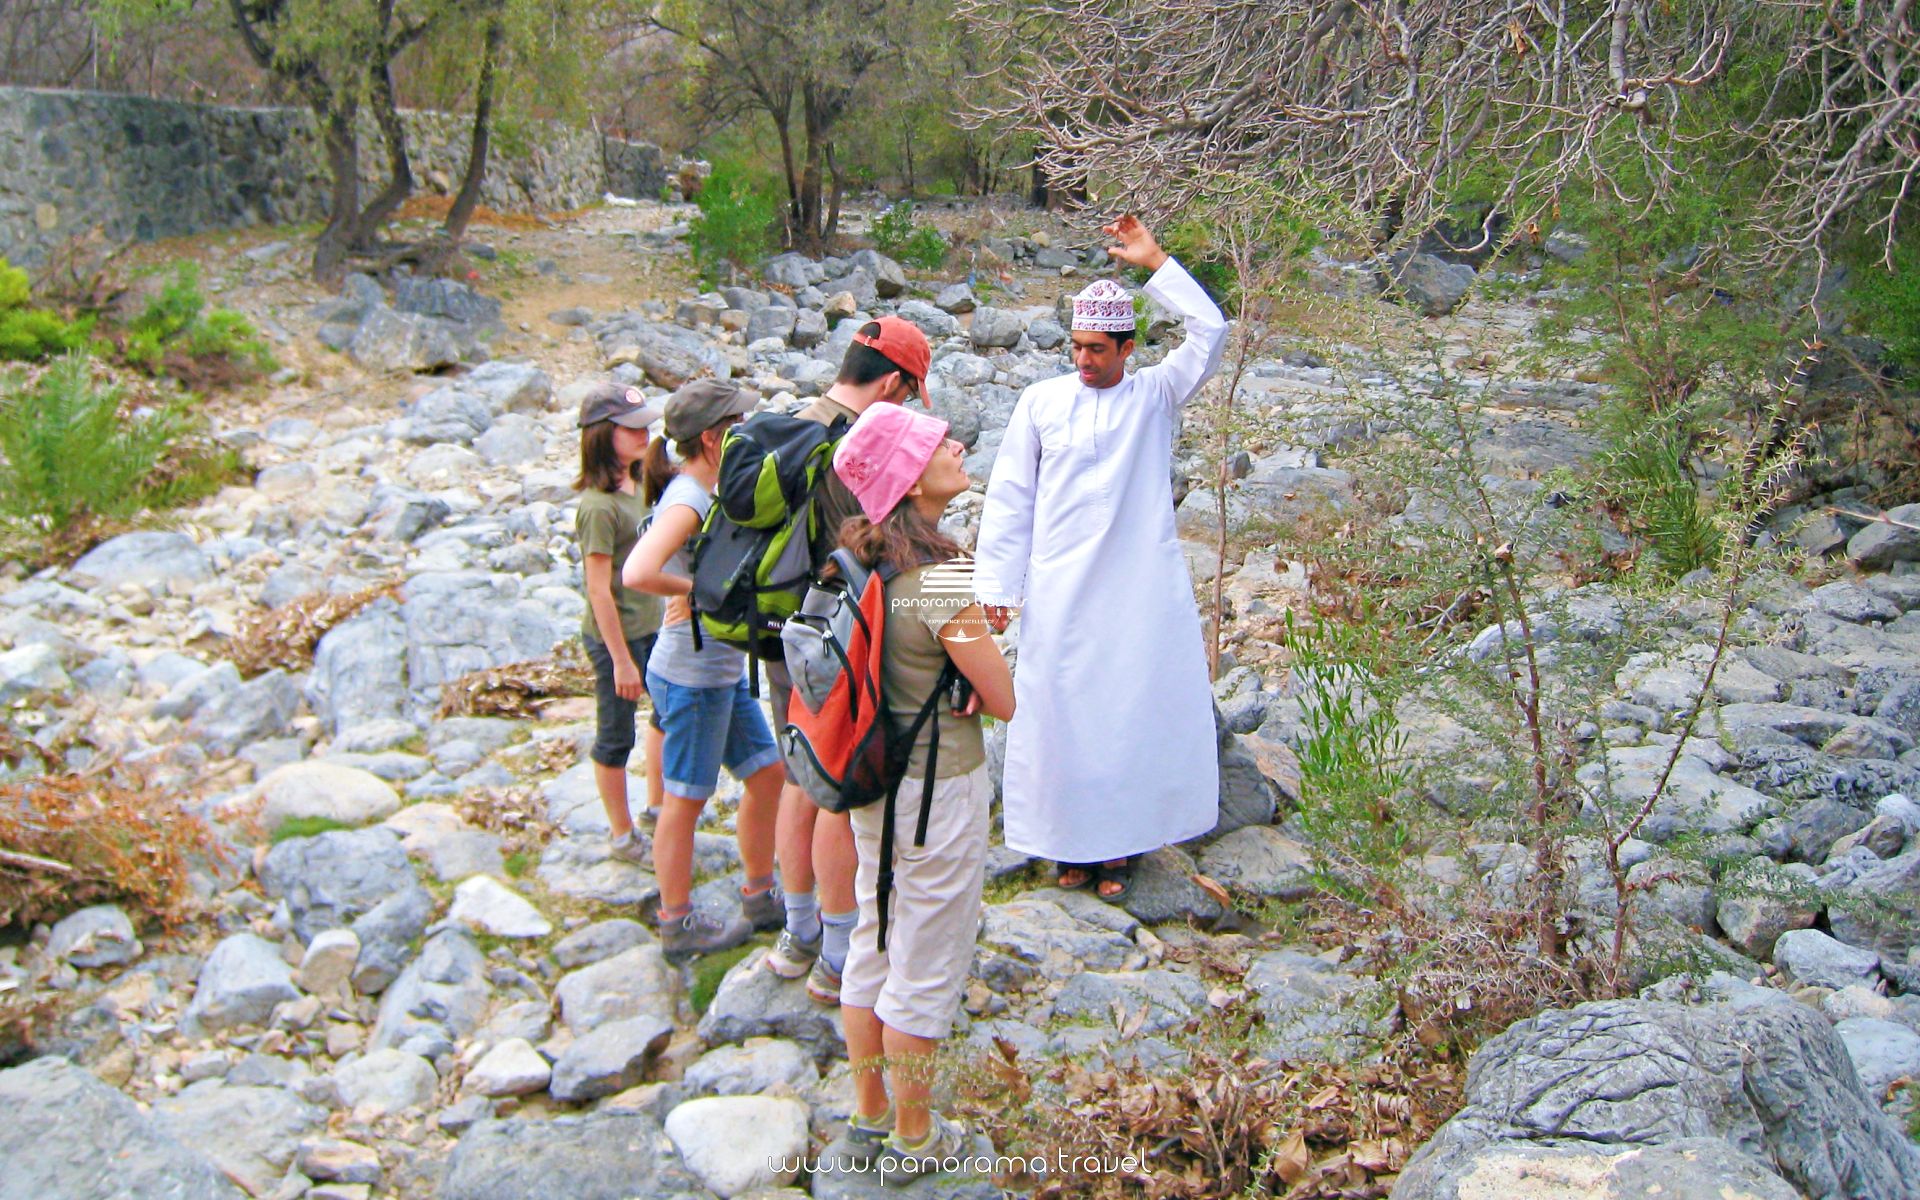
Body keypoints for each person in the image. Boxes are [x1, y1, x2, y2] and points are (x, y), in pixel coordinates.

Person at [973, 215, 1228, 901]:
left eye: (1097, 350)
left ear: (1128, 347)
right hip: (1058, 590)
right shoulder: (1042, 402)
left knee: (1126, 714)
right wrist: (998, 585)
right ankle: (1066, 845)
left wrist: (1158, 264)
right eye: (1077, 347)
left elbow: (1212, 332)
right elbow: (1009, 497)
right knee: (1059, 714)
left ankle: (1117, 850)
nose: (1083, 361)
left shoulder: (1155, 396)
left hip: (1137, 592)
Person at [827, 402, 1014, 1180]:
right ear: (912, 478)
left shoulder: (864, 557)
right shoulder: (939, 579)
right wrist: (982, 655)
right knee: (928, 957)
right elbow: (1001, 697)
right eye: (939, 443)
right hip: (940, 790)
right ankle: (916, 1138)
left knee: (875, 937)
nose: (957, 445)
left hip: (874, 782)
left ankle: (868, 1116)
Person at [761, 316, 934, 1005]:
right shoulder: (850, 442)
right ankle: (840, 951)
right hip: (836, 633)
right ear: (892, 381)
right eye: (909, 395)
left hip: (782, 629)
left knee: (797, 775)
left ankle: (796, 931)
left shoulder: (790, 427)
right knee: (834, 789)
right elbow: (873, 543)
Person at [621, 379, 787, 962]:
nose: (750, 432)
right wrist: (699, 589)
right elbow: (637, 572)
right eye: (740, 425)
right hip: (691, 674)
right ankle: (676, 922)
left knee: (768, 775)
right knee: (684, 799)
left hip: (716, 672)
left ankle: (761, 894)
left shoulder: (705, 489)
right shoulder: (690, 497)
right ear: (715, 440)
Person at [570, 382, 666, 865]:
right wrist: (621, 663)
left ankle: (656, 806)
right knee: (615, 734)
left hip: (650, 625)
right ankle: (622, 834)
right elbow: (597, 589)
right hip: (617, 639)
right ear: (603, 435)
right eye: (631, 429)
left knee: (667, 715)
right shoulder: (598, 506)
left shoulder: (638, 480)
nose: (643, 434)